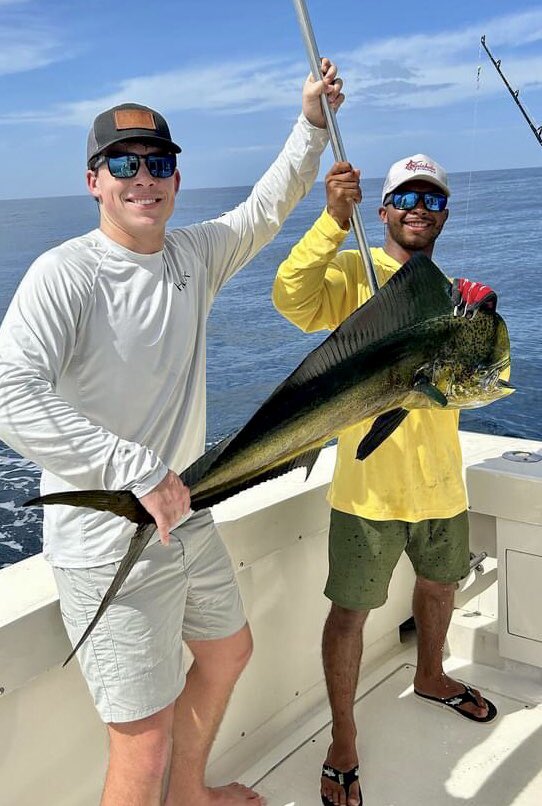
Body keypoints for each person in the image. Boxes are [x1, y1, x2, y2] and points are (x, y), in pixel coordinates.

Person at [0, 61, 344, 806]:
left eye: (159, 163)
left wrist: (312, 125)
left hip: (184, 513)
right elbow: (8, 394)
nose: (144, 177)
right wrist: (135, 467)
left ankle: (192, 796)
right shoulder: (65, 276)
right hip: (106, 535)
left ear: (177, 178)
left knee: (228, 651)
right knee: (141, 742)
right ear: (94, 180)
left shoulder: (193, 256)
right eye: (124, 164)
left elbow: (264, 209)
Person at [272, 155, 499, 806]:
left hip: (442, 488)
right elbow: (291, 296)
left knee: (440, 586)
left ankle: (432, 676)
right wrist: (331, 222)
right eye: (406, 197)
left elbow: (474, 381)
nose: (418, 209)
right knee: (350, 613)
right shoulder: (356, 274)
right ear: (385, 209)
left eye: (431, 201)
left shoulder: (456, 296)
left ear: (444, 216)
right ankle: (343, 740)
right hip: (368, 490)